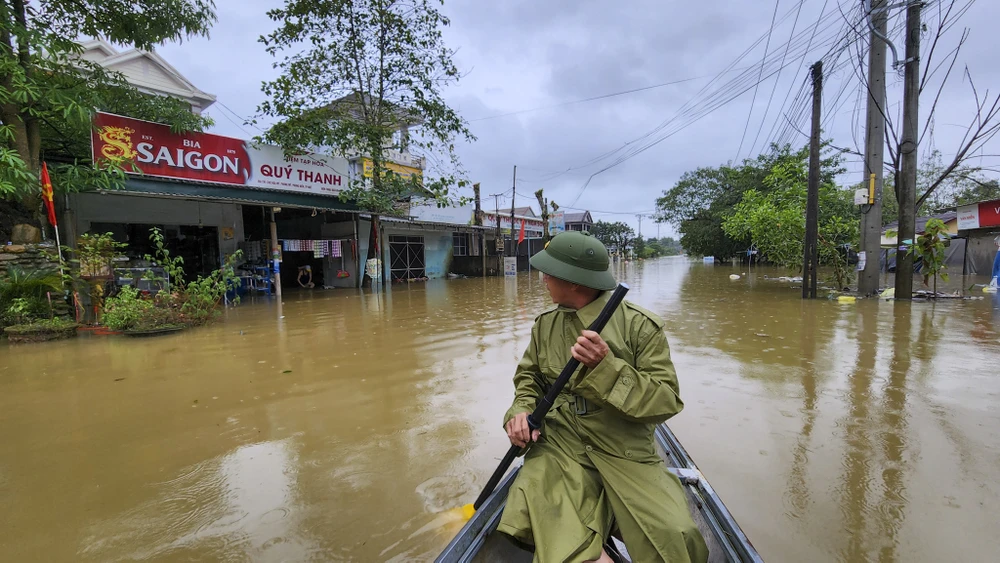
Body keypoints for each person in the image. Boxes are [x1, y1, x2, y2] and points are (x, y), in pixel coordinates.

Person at [497, 231, 708, 563]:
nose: (543, 280)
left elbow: (665, 401)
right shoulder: (545, 326)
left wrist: (606, 368)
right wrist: (520, 411)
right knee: (539, 512)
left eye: (549, 273)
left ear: (575, 282)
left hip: (625, 449)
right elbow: (529, 379)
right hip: (560, 446)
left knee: (677, 537)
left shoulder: (640, 327)